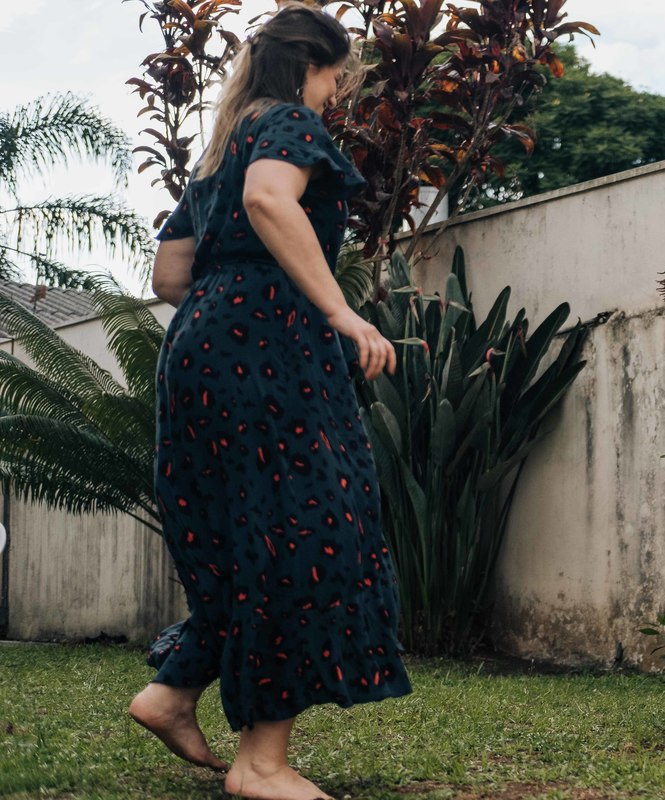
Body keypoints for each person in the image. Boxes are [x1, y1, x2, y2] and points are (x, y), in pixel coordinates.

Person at [128, 5, 412, 799]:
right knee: (307, 535)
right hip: (269, 351)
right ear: (313, 68)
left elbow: (170, 275)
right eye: (336, 79)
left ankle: (173, 692)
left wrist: (230, 296)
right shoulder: (287, 124)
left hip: (199, 346)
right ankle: (259, 764)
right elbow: (269, 201)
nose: (336, 94)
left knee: (239, 540)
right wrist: (340, 311)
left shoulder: (222, 148)